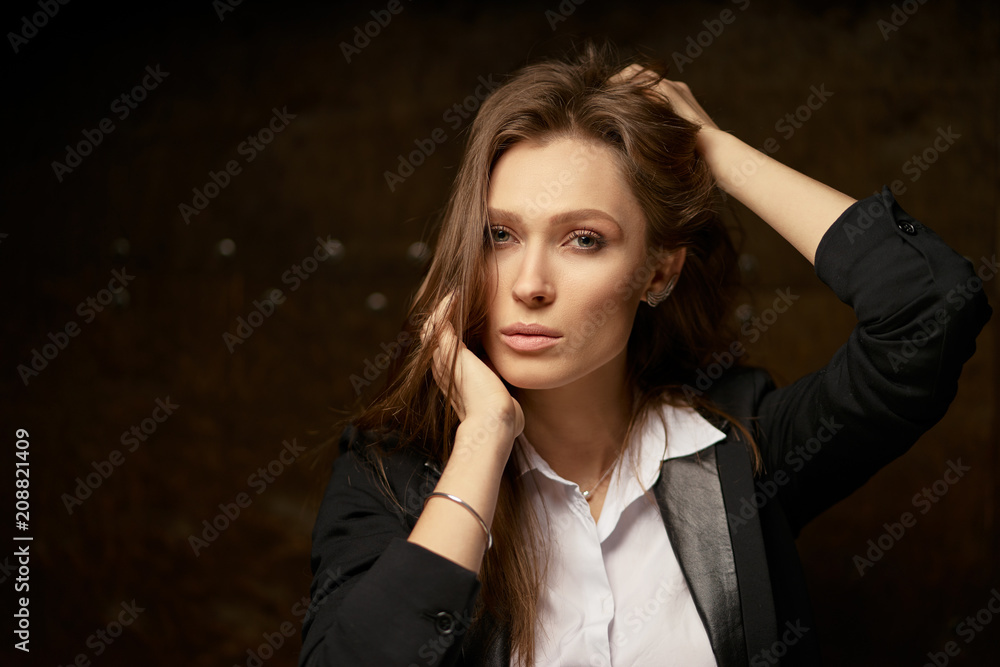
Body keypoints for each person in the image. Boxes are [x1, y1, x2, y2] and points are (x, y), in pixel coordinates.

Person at [298, 42, 992, 666]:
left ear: (658, 272)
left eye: (584, 239)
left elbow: (930, 310)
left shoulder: (740, 453)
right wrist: (483, 437)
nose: (529, 284)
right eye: (500, 235)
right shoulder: (389, 476)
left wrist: (715, 151)